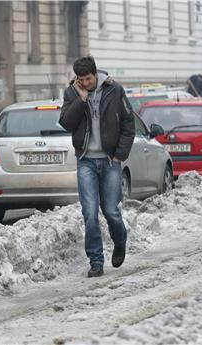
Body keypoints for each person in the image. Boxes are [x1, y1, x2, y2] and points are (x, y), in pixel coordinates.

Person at [59, 56, 135, 278]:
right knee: (89, 213)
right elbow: (65, 123)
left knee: (111, 211)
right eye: (81, 79)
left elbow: (128, 124)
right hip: (86, 161)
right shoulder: (72, 93)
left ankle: (120, 241)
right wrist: (80, 101)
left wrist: (119, 155)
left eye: (88, 79)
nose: (85, 83)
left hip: (110, 160)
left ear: (95, 74)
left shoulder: (114, 90)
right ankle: (96, 261)